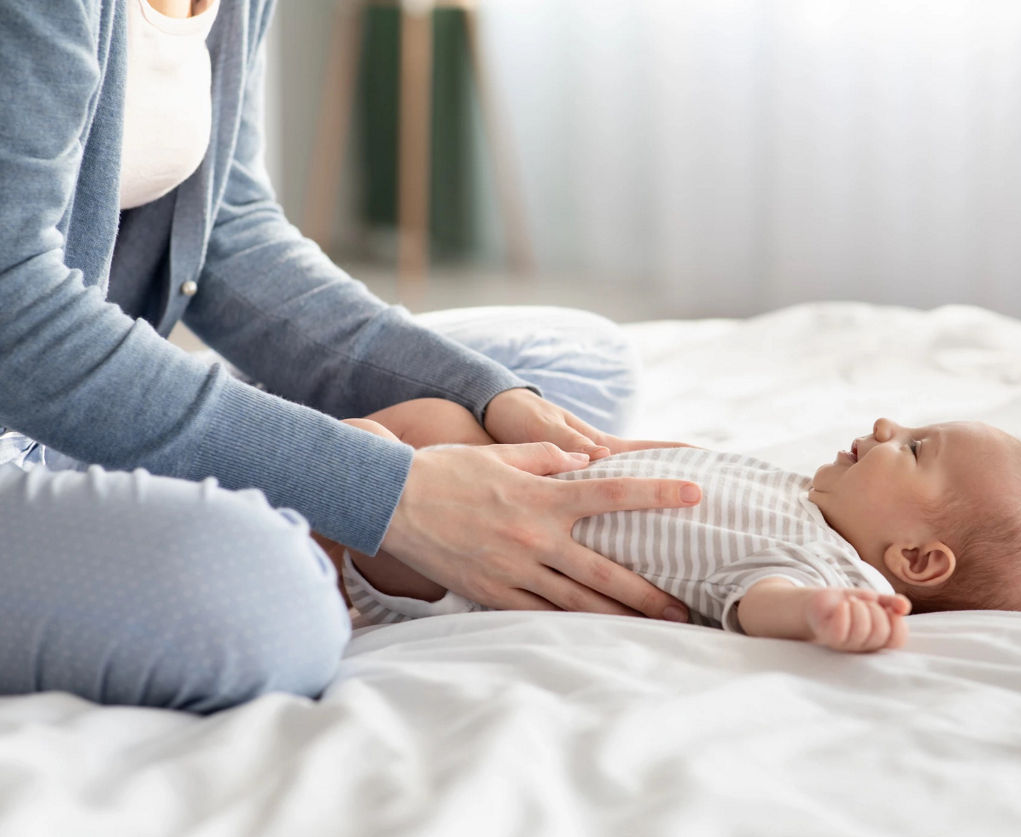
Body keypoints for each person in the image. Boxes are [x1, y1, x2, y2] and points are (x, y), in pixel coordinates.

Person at [0, 0, 701, 714]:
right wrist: (386, 492)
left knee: (577, 371)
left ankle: (315, 519)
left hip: (65, 416)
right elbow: (16, 322)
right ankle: (319, 536)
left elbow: (231, 236)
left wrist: (486, 395)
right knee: (273, 612)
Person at [336, 403, 1021, 651]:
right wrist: (591, 447)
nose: (886, 423)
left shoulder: (830, 569)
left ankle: (288, 513)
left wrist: (818, 616)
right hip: (511, 485)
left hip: (479, 566)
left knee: (374, 470)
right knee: (436, 421)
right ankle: (278, 458)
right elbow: (664, 458)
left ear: (917, 561)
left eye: (917, 449)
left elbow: (757, 600)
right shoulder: (804, 492)